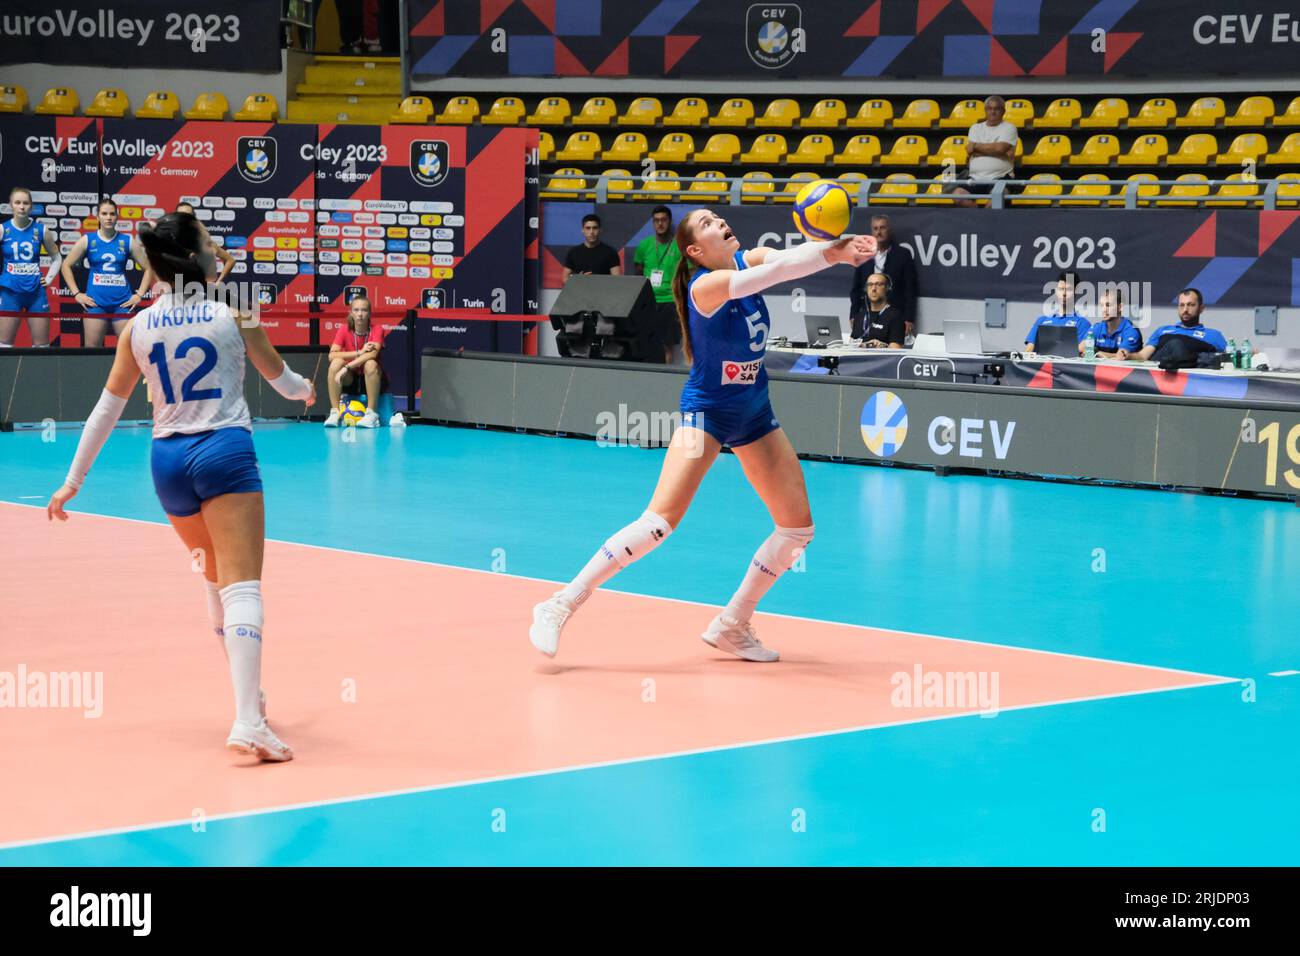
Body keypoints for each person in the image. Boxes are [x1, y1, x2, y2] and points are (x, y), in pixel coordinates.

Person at [530, 210, 877, 662]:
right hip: (706, 415)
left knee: (796, 530)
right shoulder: (705, 285)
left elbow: (792, 255)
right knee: (658, 523)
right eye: (708, 223)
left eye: (718, 216)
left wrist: (839, 246)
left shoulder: (748, 260)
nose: (720, 221)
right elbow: (784, 269)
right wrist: (834, 254)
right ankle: (559, 604)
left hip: (755, 412)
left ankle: (732, 623)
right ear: (695, 250)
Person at [45, 211, 317, 762]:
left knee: (215, 580)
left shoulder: (141, 326)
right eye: (211, 242)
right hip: (223, 453)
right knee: (244, 587)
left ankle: (250, 701)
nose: (217, 248)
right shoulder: (232, 313)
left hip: (167, 463)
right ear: (195, 258)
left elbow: (106, 409)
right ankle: (247, 720)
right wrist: (309, 390)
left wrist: (72, 481)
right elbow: (283, 383)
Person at [60, 198, 154, 347]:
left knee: (128, 351)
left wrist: (139, 295)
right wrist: (77, 294)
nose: (108, 217)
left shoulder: (127, 240)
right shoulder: (88, 240)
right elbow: (65, 265)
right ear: (98, 216)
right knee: (92, 353)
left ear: (117, 216)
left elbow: (149, 268)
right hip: (95, 303)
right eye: (104, 213)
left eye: (112, 214)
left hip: (122, 303)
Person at [0, 186, 62, 347]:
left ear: (31, 206)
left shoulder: (41, 230)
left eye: (26, 203)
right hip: (10, 292)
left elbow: (57, 257)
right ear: (11, 204)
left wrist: (48, 279)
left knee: (42, 347)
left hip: (36, 292)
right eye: (18, 202)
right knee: (4, 345)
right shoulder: (2, 229)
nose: (21, 206)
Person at [848, 214, 918, 339]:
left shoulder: (903, 255)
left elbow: (909, 289)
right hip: (867, 313)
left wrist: (908, 318)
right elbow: (856, 288)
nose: (878, 232)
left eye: (882, 228)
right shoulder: (863, 254)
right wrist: (853, 314)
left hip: (895, 315)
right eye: (875, 229)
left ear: (889, 230)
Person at [633, 205, 684, 364]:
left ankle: (665, 380)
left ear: (670, 222)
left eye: (663, 220)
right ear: (652, 223)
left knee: (667, 347)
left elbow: (687, 274)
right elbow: (638, 271)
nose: (660, 224)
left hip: (670, 302)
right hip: (648, 303)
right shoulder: (644, 245)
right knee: (647, 345)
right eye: (656, 220)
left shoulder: (679, 246)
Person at [324, 295, 385, 427]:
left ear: (369, 313)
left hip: (371, 379)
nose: (360, 314)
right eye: (356, 310)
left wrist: (347, 367)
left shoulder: (377, 329)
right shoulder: (343, 330)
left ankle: (372, 414)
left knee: (370, 364)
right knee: (336, 363)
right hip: (350, 380)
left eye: (364, 310)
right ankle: (335, 413)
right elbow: (331, 355)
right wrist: (358, 352)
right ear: (350, 313)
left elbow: (373, 354)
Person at [946, 96, 1018, 207]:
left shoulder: (1009, 128)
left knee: (997, 199)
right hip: (975, 177)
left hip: (1000, 177)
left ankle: (984, 218)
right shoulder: (975, 128)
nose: (993, 112)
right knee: (957, 196)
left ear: (1003, 111)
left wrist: (976, 147)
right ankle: (980, 215)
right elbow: (971, 151)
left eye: (997, 109)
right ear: (985, 110)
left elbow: (1000, 149)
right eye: (989, 108)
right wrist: (998, 151)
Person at [1132, 288, 1226, 361]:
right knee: (1175, 344)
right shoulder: (1162, 331)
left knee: (1175, 345)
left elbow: (1229, 362)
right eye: (1182, 305)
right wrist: (1126, 355)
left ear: (1201, 308)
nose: (1185, 310)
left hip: (1190, 381)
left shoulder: (1214, 336)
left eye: (1190, 305)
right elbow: (1142, 356)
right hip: (1159, 378)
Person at [1024, 272, 1088, 353]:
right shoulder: (1041, 321)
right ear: (1057, 291)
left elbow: (1083, 354)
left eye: (1068, 290)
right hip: (1041, 365)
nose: (1064, 294)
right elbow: (1029, 350)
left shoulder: (1082, 323)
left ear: (1076, 292)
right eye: (1061, 289)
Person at [174, 203, 235, 284]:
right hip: (178, 292)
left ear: (193, 217)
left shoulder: (204, 241)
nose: (185, 218)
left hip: (200, 292)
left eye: (188, 215)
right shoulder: (170, 240)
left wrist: (218, 282)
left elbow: (230, 260)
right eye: (182, 215)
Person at [1087, 286, 1143, 360]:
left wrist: (1098, 353)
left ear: (1120, 307)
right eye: (1101, 305)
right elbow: (1083, 349)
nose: (1103, 310)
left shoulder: (1131, 330)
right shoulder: (1096, 328)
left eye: (1108, 305)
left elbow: (1121, 356)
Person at [562, 214, 621, 282]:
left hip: (602, 292)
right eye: (588, 228)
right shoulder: (573, 252)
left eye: (595, 228)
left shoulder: (610, 252)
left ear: (600, 230)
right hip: (579, 291)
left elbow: (617, 280)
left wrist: (594, 281)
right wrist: (577, 280)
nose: (591, 232)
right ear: (582, 230)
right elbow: (564, 278)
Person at [852, 273, 904, 348]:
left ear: (888, 288)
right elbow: (851, 344)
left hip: (880, 359)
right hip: (857, 359)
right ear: (865, 289)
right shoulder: (860, 315)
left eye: (879, 284)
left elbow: (896, 351)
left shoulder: (895, 317)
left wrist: (883, 347)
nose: (873, 289)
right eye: (870, 284)